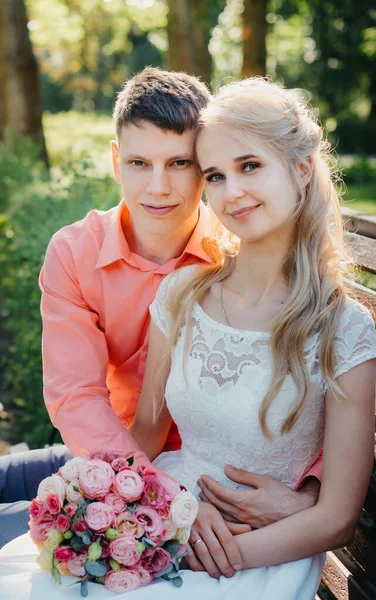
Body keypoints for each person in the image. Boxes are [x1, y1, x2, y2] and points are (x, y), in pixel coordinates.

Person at [0, 69, 319, 552]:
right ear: (115, 161)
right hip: (112, 452)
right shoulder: (75, 253)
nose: (158, 187)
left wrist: (310, 492)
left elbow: (319, 369)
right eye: (139, 162)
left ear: (205, 165)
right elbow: (76, 395)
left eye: (180, 163)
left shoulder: (240, 253)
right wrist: (153, 487)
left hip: (197, 471)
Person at [127, 77, 376, 598]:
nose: (231, 192)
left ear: (301, 168)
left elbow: (336, 519)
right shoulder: (181, 295)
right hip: (169, 518)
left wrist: (215, 555)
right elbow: (148, 431)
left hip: (262, 556)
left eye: (249, 166)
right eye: (215, 176)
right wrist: (152, 510)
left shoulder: (343, 329)